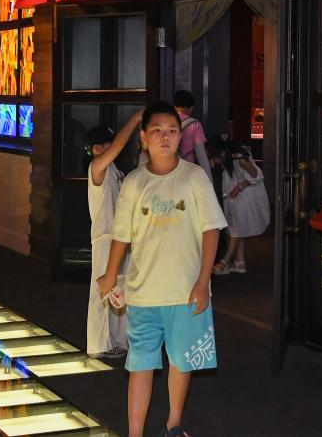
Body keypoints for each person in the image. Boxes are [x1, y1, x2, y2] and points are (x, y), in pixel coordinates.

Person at [97, 102, 227, 437]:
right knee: (140, 365)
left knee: (181, 362)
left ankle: (173, 424)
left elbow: (211, 229)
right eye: (156, 130)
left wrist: (203, 281)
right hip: (143, 293)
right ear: (143, 137)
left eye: (171, 130)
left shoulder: (194, 177)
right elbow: (121, 235)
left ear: (181, 136)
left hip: (186, 293)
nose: (165, 137)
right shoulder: (134, 182)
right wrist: (110, 274)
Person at [84, 108, 143, 359]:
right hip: (105, 237)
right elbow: (119, 146)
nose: (113, 147)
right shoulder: (97, 168)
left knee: (119, 288)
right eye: (107, 144)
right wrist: (135, 119)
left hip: (119, 237)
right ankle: (98, 344)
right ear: (97, 148)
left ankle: (118, 341)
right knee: (102, 290)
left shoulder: (115, 172)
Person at [209, 137, 269, 276]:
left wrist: (240, 187)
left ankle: (224, 262)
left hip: (244, 198)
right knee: (237, 228)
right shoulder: (229, 159)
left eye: (214, 157)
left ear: (222, 153)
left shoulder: (239, 159)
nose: (214, 161)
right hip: (236, 197)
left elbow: (256, 174)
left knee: (235, 230)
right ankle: (239, 262)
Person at [173, 90, 213, 184]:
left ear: (175, 106)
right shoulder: (194, 124)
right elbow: (201, 155)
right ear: (191, 107)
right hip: (186, 172)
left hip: (169, 171)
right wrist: (209, 179)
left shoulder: (167, 122)